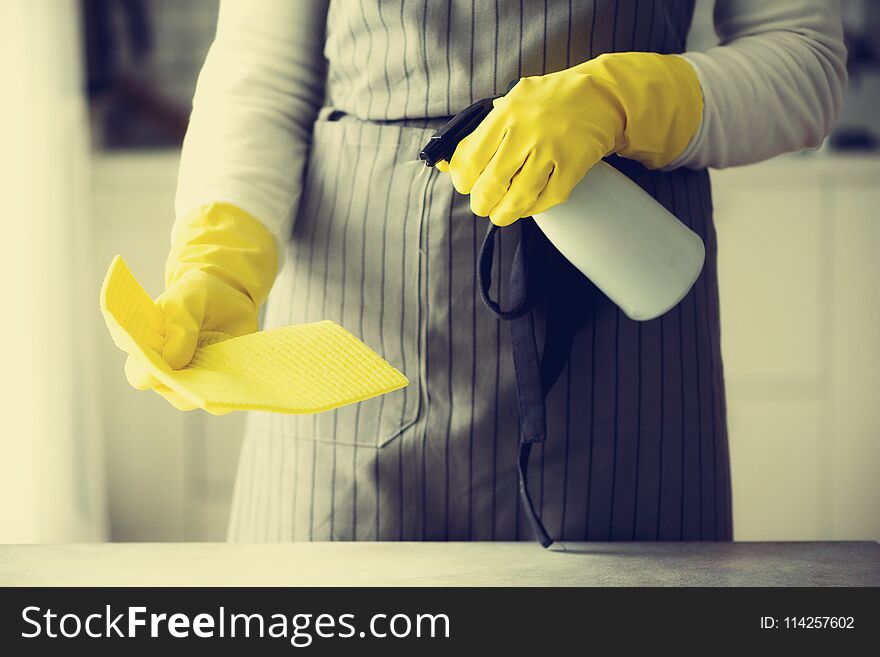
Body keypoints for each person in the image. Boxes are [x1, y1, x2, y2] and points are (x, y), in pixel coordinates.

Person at [124, 0, 846, 542]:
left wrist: (621, 99)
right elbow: (263, 77)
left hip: (625, 358)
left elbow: (804, 59)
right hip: (360, 329)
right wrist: (221, 258)